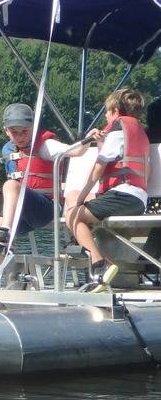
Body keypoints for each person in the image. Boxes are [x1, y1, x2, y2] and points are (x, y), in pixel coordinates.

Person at [0, 103, 83, 282]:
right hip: (23, 212)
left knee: (10, 185)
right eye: (14, 132)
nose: (20, 137)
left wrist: (88, 140)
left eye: (25, 132)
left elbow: (76, 151)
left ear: (33, 128)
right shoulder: (9, 149)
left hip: (47, 208)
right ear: (6, 131)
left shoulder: (46, 145)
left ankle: (5, 232)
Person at [66, 88, 150, 289]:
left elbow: (99, 168)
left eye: (106, 111)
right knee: (71, 196)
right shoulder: (137, 130)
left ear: (115, 110)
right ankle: (82, 240)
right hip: (134, 196)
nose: (105, 115)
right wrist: (101, 141)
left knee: (72, 215)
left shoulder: (118, 127)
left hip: (124, 195)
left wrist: (82, 198)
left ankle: (99, 262)